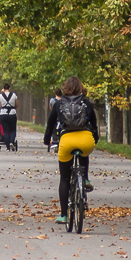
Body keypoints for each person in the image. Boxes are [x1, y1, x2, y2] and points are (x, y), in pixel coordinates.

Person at [43, 76, 99, 223]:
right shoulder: (86, 103)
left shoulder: (59, 104)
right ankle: (85, 178)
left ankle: (63, 215)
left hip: (66, 140)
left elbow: (50, 124)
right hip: (85, 140)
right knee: (83, 152)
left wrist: (46, 140)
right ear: (81, 87)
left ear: (65, 88)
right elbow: (94, 124)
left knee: (65, 178)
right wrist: (95, 139)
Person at [0, 82, 18, 149]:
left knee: (5, 131)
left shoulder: (0, 96)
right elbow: (16, 105)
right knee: (13, 130)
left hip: (3, 114)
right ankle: (11, 142)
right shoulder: (14, 95)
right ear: (9, 88)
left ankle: (8, 147)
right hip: (12, 114)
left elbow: (0, 105)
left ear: (3, 89)